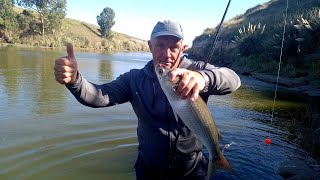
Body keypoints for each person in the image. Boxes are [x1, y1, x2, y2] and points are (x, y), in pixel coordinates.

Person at [54, 20, 241, 180]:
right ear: (150, 46)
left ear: (183, 48)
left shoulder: (197, 70)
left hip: (192, 171)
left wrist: (204, 78)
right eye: (160, 45)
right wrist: (75, 81)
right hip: (148, 171)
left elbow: (233, 79)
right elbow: (98, 96)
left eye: (174, 47)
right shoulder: (134, 79)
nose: (167, 54)